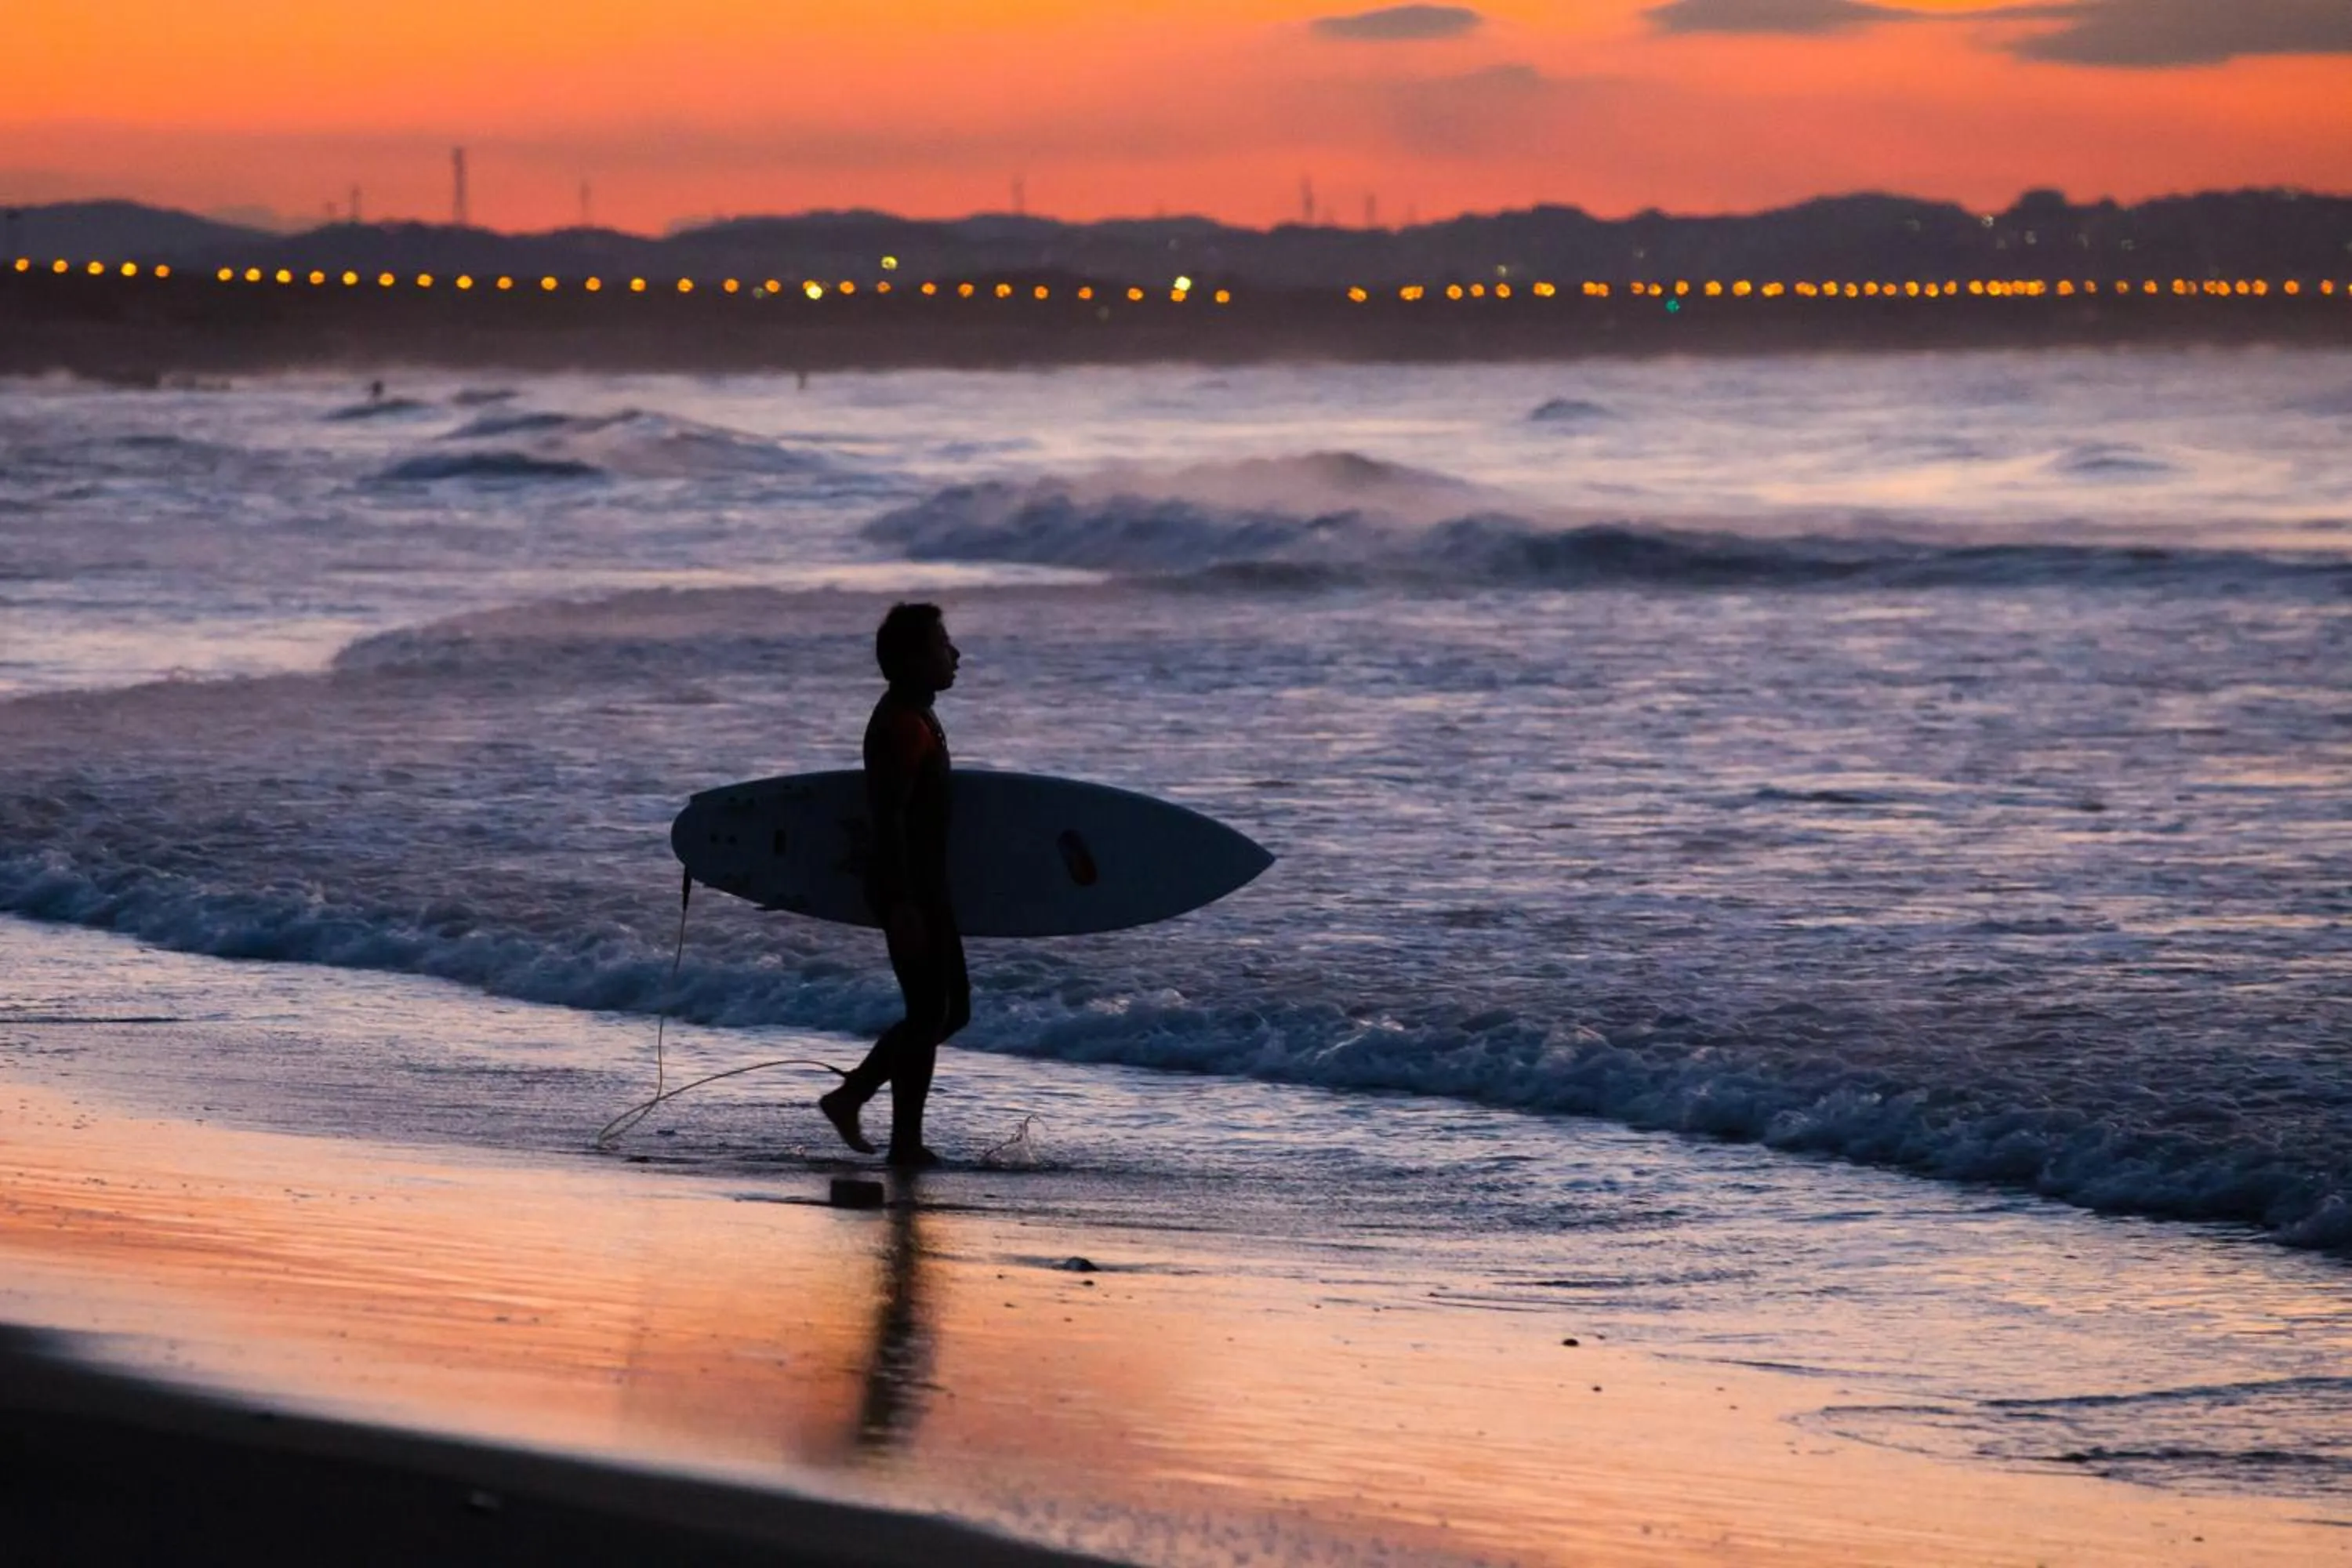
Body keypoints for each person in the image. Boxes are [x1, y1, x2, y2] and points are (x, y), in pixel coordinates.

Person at [818, 604, 967, 1167]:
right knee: (932, 1012)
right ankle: (900, 1138)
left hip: (924, 885)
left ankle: (853, 1097)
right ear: (910, 660)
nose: (955, 655)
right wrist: (902, 901)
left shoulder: (917, 716)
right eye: (942, 645)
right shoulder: (902, 724)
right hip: (909, 888)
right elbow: (890, 816)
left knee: (948, 1012)